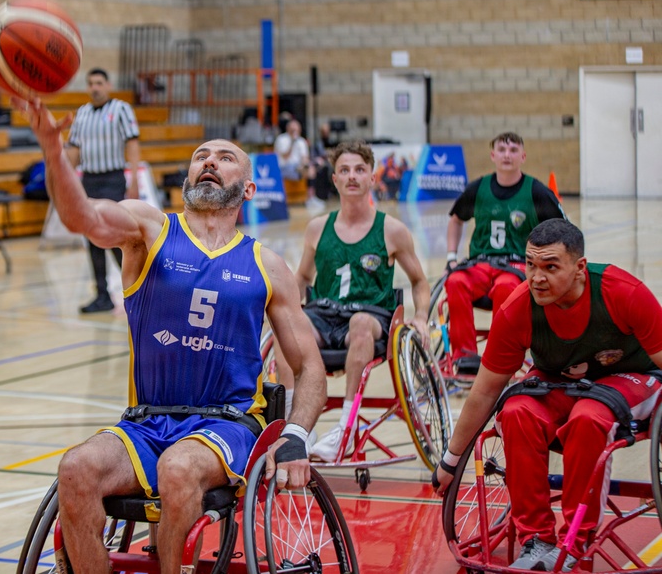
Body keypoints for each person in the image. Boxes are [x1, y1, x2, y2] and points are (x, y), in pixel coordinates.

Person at [16, 95, 326, 574]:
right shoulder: (150, 228)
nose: (209, 162)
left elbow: (308, 366)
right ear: (186, 178)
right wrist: (54, 150)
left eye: (224, 158)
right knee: (75, 469)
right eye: (201, 155)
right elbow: (85, 218)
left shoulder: (268, 265)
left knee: (178, 468)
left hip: (227, 424)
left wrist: (297, 437)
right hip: (146, 422)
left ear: (247, 189)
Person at [434, 219, 662, 572]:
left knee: (589, 416)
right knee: (515, 410)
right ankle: (536, 538)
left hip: (633, 379)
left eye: (550, 267)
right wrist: (450, 460)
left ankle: (574, 541)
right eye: (530, 265)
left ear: (579, 268)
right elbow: (484, 391)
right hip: (559, 381)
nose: (536, 277)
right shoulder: (518, 307)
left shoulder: (622, 292)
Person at [278, 141, 431, 462]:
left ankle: (345, 429)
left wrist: (421, 317)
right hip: (324, 313)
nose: (352, 176)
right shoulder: (317, 228)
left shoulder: (392, 230)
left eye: (359, 170)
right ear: (334, 179)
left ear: (372, 178)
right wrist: (284, 312)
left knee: (361, 324)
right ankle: (296, 427)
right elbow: (302, 279)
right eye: (344, 170)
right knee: (285, 328)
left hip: (369, 316)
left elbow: (419, 281)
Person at [444, 132, 565, 375]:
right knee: (455, 280)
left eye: (513, 150)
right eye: (502, 149)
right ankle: (465, 359)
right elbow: (456, 219)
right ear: (493, 155)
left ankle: (499, 357)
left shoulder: (537, 191)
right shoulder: (477, 188)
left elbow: (562, 228)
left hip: (517, 265)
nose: (507, 155)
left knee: (505, 288)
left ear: (523, 156)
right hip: (480, 263)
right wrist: (451, 257)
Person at [67, 68, 141, 314]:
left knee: (117, 239)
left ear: (108, 85)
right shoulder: (82, 113)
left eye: (99, 83)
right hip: (89, 181)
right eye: (90, 83)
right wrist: (66, 180)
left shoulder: (120, 109)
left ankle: (138, 292)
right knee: (93, 240)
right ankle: (102, 294)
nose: (95, 88)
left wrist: (134, 179)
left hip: (113, 179)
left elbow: (132, 143)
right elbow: (74, 150)